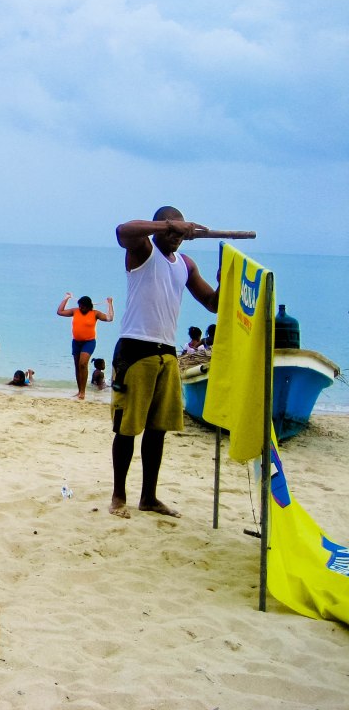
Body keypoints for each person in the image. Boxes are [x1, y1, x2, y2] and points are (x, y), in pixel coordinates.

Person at [110, 207, 219, 520]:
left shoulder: (185, 264)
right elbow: (122, 230)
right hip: (135, 348)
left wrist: (225, 282)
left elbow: (212, 305)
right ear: (159, 229)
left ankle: (149, 497)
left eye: (179, 234)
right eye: (170, 232)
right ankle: (119, 496)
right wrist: (168, 224)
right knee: (127, 428)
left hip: (167, 351)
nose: (174, 238)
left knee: (158, 430)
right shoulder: (143, 251)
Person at [57, 292, 114, 399]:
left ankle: (83, 392)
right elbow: (59, 312)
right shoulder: (75, 311)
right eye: (80, 306)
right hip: (76, 342)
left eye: (83, 306)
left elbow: (109, 318)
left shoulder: (95, 313)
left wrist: (110, 303)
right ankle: (79, 391)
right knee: (77, 366)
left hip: (89, 342)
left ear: (89, 306)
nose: (81, 308)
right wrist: (66, 298)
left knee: (83, 364)